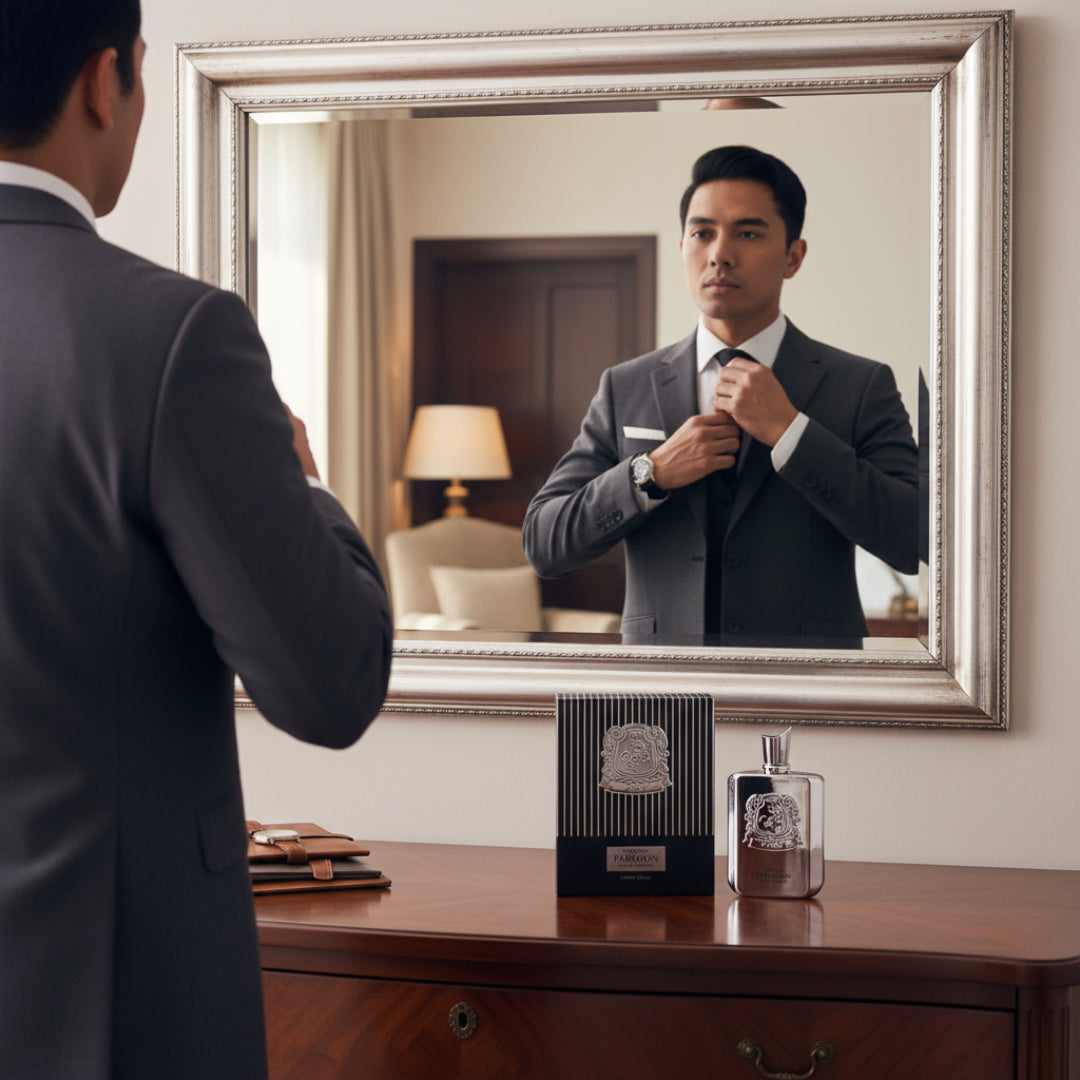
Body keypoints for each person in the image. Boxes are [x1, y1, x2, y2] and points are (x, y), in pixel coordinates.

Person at [0, 2, 393, 1077]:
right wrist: (305, 484)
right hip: (116, 999)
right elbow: (329, 686)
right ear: (104, 82)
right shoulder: (169, 334)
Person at [524, 145, 919, 644]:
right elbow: (544, 543)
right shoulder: (625, 386)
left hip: (810, 676)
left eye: (747, 233)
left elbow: (914, 540)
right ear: (682, 248)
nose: (719, 254)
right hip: (661, 680)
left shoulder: (860, 385)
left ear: (793, 256)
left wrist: (792, 433)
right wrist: (649, 472)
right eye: (702, 233)